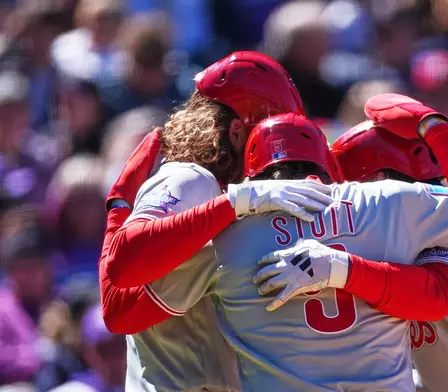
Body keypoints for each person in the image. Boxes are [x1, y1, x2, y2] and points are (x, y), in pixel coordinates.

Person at [139, 109, 448, 391]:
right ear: (324, 159)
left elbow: (124, 310)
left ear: (252, 173)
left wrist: (121, 211)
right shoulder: (387, 200)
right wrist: (432, 125)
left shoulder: (223, 237)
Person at [253, 94, 448, 391]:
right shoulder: (405, 235)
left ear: (380, 184)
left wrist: (339, 268)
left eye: (355, 193)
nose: (348, 207)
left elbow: (436, 294)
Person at [98, 51, 333, 391]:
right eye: (265, 137)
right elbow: (121, 284)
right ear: (236, 133)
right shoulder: (191, 180)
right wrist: (235, 203)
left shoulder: (227, 190)